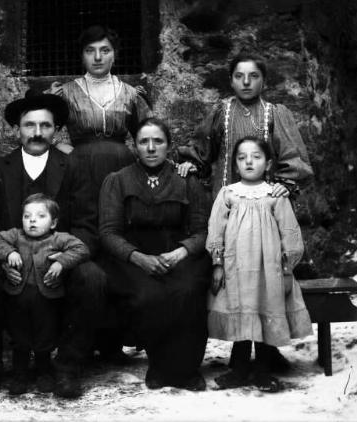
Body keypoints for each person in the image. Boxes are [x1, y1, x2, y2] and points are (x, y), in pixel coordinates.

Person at [177, 53, 314, 371]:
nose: (246, 82)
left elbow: (293, 158)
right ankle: (239, 352)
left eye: (253, 76)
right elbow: (202, 147)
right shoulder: (221, 112)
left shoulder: (274, 114)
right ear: (231, 80)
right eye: (239, 76)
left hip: (265, 210)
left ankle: (269, 351)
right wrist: (191, 161)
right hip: (230, 208)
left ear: (264, 80)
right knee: (236, 283)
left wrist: (283, 185)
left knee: (266, 283)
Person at [0, 89, 100, 400]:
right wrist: (2, 258)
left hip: (58, 257)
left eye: (45, 126)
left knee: (92, 278)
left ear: (56, 130)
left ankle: (67, 367)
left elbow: (87, 225)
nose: (37, 133)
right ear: (17, 129)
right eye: (29, 125)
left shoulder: (73, 165)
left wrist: (63, 261)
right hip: (9, 255)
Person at [49, 24, 153, 360]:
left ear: (115, 53)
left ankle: (117, 339)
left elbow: (149, 134)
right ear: (82, 55)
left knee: (118, 244)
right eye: (91, 51)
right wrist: (69, 151)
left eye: (105, 50)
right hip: (79, 174)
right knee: (88, 243)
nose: (98, 57)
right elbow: (45, 130)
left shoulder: (130, 94)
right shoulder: (64, 93)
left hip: (121, 173)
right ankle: (86, 338)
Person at [98, 118, 212, 391]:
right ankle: (159, 366)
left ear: (169, 146)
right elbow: (108, 232)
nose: (151, 148)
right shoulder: (117, 180)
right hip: (134, 256)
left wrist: (181, 252)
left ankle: (187, 370)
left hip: (178, 253)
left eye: (158, 141)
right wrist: (139, 258)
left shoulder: (187, 179)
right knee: (150, 295)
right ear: (134, 146)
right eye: (143, 142)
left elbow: (202, 230)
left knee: (187, 291)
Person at [206, 136, 313, 392]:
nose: (248, 162)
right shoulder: (228, 194)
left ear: (267, 164)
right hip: (236, 270)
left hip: (269, 270)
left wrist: (287, 268)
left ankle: (263, 371)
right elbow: (215, 230)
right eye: (242, 158)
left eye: (255, 157)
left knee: (265, 312)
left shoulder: (275, 195)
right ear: (235, 164)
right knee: (241, 313)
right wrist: (218, 263)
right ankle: (239, 370)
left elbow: (290, 232)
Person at [0, 193, 90, 395]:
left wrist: (62, 262)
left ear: (54, 222)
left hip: (47, 299)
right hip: (17, 297)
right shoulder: (16, 236)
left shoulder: (59, 238)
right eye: (27, 216)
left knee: (45, 335)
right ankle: (20, 375)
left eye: (40, 216)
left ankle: (45, 372)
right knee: (19, 336)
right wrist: (9, 253)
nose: (32, 220)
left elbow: (82, 249)